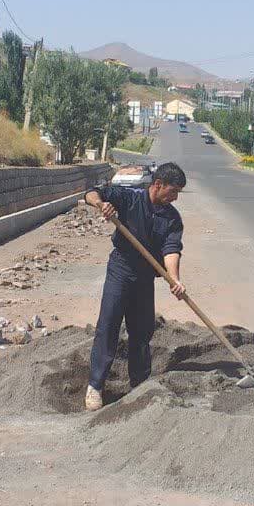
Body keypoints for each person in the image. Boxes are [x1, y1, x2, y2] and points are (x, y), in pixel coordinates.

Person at [82, 162, 188, 411]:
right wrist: (101, 205)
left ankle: (139, 385)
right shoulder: (129, 198)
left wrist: (174, 279)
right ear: (158, 185)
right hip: (121, 268)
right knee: (108, 325)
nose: (174, 198)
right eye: (172, 192)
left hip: (145, 277)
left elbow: (171, 250)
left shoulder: (172, 218)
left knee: (141, 331)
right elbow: (91, 193)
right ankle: (96, 386)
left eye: (177, 194)